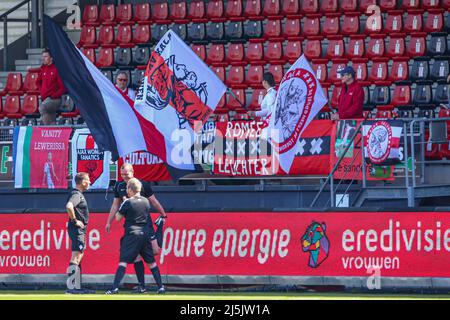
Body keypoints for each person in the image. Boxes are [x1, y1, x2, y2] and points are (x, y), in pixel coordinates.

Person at [105, 163, 167, 293]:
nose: (125, 177)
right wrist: (108, 221)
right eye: (122, 175)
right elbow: (115, 204)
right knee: (139, 256)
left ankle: (117, 287)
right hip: (137, 227)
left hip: (145, 225)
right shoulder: (119, 186)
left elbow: (153, 201)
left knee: (155, 250)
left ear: (132, 172)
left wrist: (163, 213)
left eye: (126, 174)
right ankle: (142, 285)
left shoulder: (142, 185)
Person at [65, 172, 93, 294]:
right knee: (76, 257)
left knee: (79, 257)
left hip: (79, 230)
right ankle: (71, 288)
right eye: (88, 180)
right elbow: (69, 206)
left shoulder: (78, 194)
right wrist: (75, 220)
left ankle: (77, 287)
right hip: (77, 229)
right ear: (82, 182)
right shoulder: (77, 195)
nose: (90, 182)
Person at [36, 48, 66, 125]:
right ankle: (53, 130)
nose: (43, 58)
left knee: (42, 108)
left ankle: (49, 127)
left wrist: (53, 96)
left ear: (51, 58)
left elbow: (62, 87)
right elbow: (37, 82)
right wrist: (42, 90)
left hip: (55, 99)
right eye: (43, 56)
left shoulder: (56, 69)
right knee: (50, 117)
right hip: (45, 99)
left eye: (45, 56)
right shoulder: (43, 69)